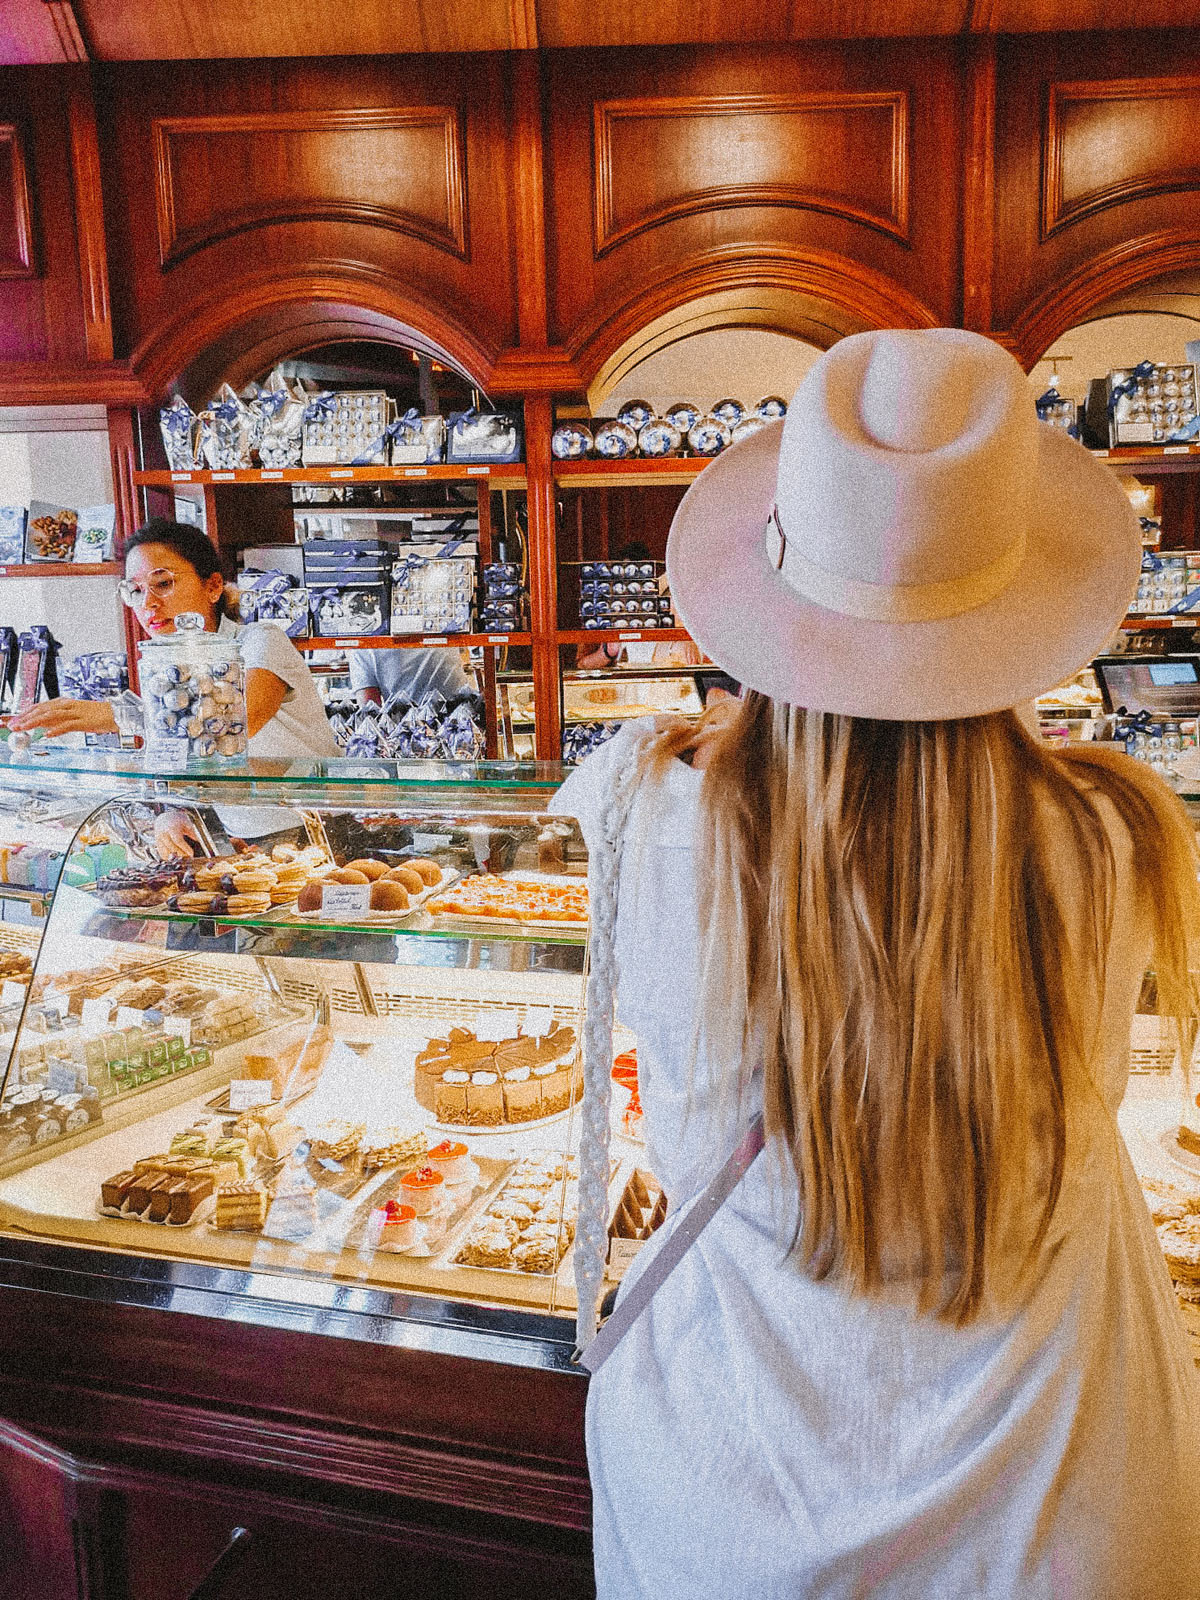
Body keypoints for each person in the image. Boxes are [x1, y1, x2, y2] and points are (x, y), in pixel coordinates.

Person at [552, 329, 1200, 1597]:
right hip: (1062, 1488)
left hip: (723, 1484)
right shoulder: (1117, 830)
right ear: (1024, 605)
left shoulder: (643, 802)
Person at [9, 518, 338, 852]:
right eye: (135, 591)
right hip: (242, 839)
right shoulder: (170, 671)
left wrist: (117, 715)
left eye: (163, 583)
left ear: (212, 587)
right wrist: (177, 810)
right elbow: (200, 764)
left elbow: (231, 729)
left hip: (316, 833)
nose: (148, 603)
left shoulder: (260, 642)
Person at [348, 643, 471, 710]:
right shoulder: (443, 619)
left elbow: (369, 711)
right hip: (458, 720)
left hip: (405, 732)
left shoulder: (360, 644)